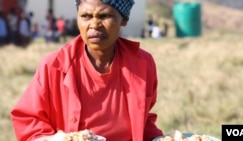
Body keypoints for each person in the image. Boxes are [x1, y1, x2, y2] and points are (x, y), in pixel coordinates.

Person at [10, 0, 164, 141]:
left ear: (123, 19)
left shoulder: (142, 64)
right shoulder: (53, 66)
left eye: (104, 16)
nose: (94, 24)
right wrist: (53, 139)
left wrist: (158, 138)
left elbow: (142, 120)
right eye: (86, 16)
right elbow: (28, 122)